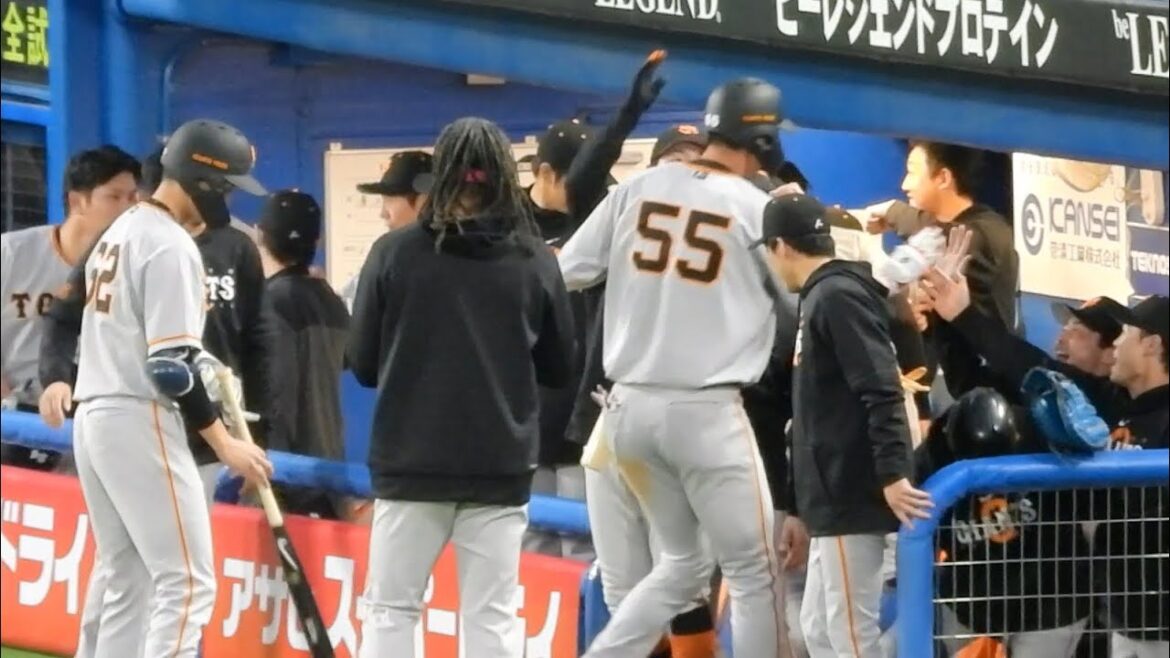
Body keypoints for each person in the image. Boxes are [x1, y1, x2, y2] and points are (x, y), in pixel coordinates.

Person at [559, 76, 790, 658]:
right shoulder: (757, 209)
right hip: (704, 410)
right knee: (754, 571)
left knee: (683, 564)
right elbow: (801, 301)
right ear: (761, 139)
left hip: (626, 410)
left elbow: (569, 270)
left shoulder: (641, 187)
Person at [348, 117, 575, 658]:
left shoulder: (394, 253)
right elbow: (560, 367)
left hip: (411, 462)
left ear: (442, 174)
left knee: (392, 609)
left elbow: (363, 365)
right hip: (500, 466)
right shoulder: (534, 260)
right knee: (491, 617)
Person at [69, 118, 272, 657]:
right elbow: (170, 368)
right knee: (187, 583)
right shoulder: (169, 244)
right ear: (204, 179)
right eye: (227, 185)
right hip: (138, 414)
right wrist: (225, 443)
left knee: (127, 578)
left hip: (95, 414)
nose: (228, 198)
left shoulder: (122, 229)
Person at [923, 271, 1169, 658]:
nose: (1119, 344)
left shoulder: (1145, 411)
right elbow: (1021, 370)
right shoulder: (1112, 402)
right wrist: (949, 320)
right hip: (1125, 612)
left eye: (1127, 334)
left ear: (1152, 345)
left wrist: (964, 315)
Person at [759, 193, 944, 658]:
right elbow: (811, 414)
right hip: (829, 495)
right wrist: (798, 507)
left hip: (851, 492)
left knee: (849, 637)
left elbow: (882, 387)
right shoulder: (824, 293)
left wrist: (893, 474)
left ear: (780, 246)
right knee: (819, 629)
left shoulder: (836, 295)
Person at [139, 145, 276, 498]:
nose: (223, 200)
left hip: (219, 425)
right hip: (148, 421)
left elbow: (258, 341)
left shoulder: (237, 246)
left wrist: (257, 433)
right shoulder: (141, 242)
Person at [1, 146, 140, 470]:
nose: (128, 208)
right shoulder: (10, 254)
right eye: (115, 197)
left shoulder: (132, 268)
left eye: (133, 197)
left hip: (90, 426)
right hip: (13, 417)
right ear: (78, 201)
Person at [868, 142, 1018, 398]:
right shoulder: (940, 234)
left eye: (912, 172)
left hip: (988, 393)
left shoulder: (987, 230)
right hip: (949, 384)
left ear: (943, 178)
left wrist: (894, 211)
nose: (904, 185)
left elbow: (942, 236)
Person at [256, 190, 351, 519]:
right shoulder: (332, 302)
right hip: (329, 478)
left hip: (281, 481)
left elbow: (275, 400)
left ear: (259, 235)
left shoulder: (266, 303)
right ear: (318, 240)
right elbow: (349, 359)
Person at [340, 150, 434, 309]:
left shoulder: (387, 253)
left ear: (423, 201)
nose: (383, 214)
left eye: (389, 201)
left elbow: (362, 319)